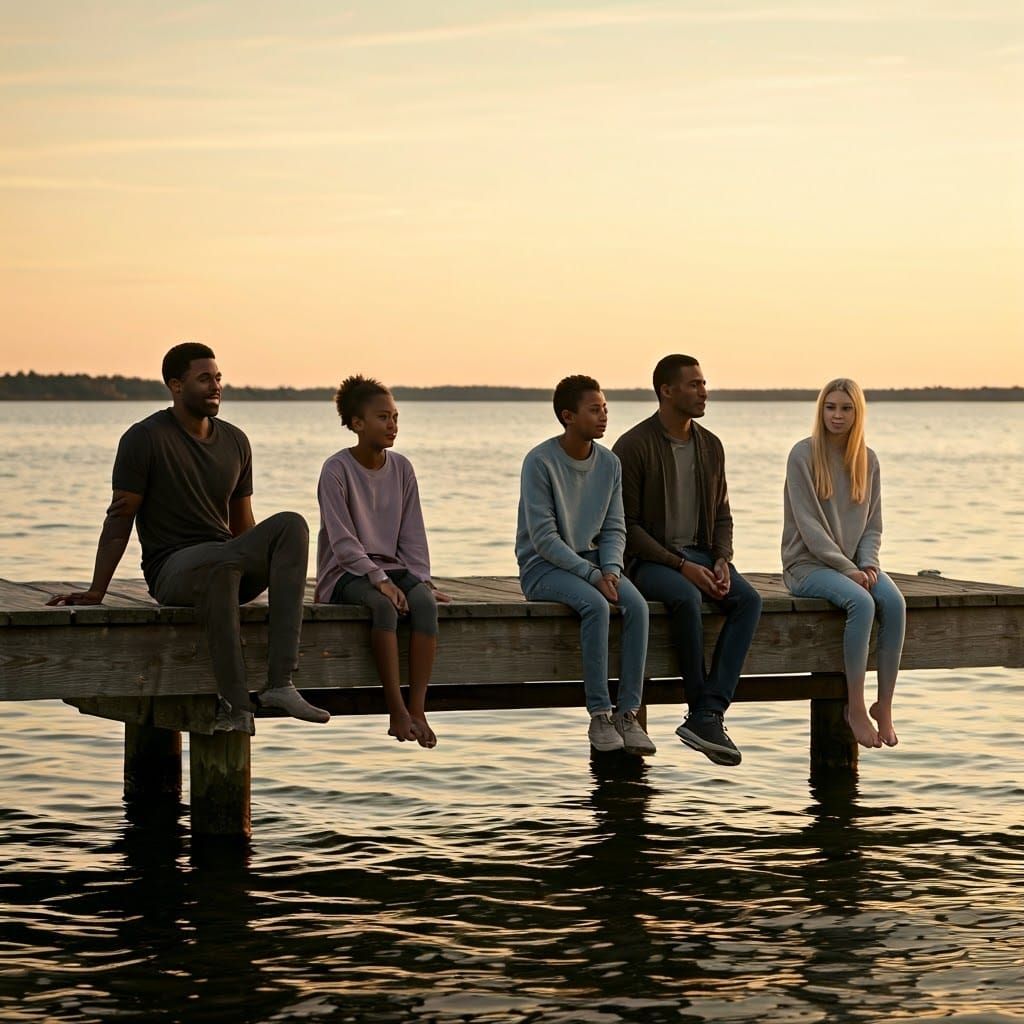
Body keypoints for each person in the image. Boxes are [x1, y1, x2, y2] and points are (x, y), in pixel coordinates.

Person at [47, 342, 331, 734]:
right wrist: (97, 591)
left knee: (292, 525)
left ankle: (280, 683)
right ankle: (235, 705)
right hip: (175, 570)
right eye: (204, 379)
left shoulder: (235, 440)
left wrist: (269, 573)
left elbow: (242, 524)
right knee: (223, 563)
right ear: (175, 385)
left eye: (218, 378)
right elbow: (120, 518)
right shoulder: (144, 438)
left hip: (226, 562)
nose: (215, 387)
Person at [613, 354, 762, 767]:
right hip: (647, 561)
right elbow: (628, 527)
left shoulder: (710, 445)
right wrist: (682, 567)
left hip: (700, 553)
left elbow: (723, 516)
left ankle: (708, 713)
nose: (703, 391)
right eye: (694, 384)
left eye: (703, 383)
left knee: (748, 600)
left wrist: (721, 560)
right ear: (667, 391)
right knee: (684, 597)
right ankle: (700, 707)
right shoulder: (633, 445)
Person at [516, 375, 655, 756]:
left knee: (638, 607)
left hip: (596, 564)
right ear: (568, 416)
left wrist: (610, 570)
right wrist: (592, 576)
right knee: (595, 606)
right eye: (594, 410)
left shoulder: (609, 463)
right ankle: (599, 714)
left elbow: (614, 527)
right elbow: (543, 539)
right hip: (543, 568)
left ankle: (628, 713)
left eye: (605, 408)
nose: (603, 416)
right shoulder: (540, 462)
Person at [315, 376, 449, 749]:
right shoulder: (336, 470)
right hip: (344, 572)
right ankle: (396, 711)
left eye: (395, 417)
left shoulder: (402, 468)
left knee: (422, 604)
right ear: (357, 424)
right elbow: (342, 542)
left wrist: (420, 581)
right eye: (382, 418)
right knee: (383, 607)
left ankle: (418, 709)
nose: (392, 425)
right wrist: (378, 580)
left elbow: (412, 535)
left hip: (391, 567)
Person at [782, 378, 905, 748]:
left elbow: (873, 524)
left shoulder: (868, 460)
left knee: (895, 603)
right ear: (821, 410)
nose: (837, 415)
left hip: (854, 564)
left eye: (846, 408)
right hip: (807, 565)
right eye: (830, 407)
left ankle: (884, 706)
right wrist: (847, 570)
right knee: (861, 602)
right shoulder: (802, 455)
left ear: (857, 413)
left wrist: (867, 563)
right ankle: (854, 707)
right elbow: (810, 528)